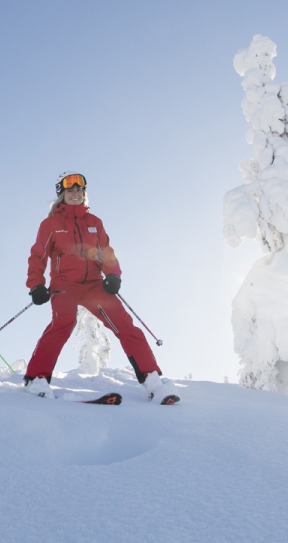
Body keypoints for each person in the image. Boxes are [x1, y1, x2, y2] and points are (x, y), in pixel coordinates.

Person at [24, 172, 179, 404]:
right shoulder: (51, 224)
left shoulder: (94, 222)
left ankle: (153, 381)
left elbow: (106, 251)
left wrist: (113, 274)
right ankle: (36, 379)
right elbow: (38, 256)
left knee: (125, 324)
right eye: (70, 191)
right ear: (62, 195)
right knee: (64, 321)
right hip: (65, 283)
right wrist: (36, 284)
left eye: (80, 191)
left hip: (94, 284)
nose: (76, 194)